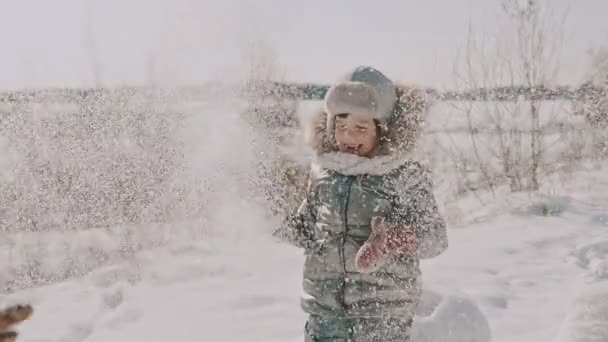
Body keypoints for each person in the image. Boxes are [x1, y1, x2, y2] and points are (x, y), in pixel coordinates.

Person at [274, 66, 448, 341]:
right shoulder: (323, 172)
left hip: (382, 313)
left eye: (360, 128)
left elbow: (436, 238)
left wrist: (394, 239)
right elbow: (307, 230)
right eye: (341, 127)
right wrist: (272, 217)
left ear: (383, 128)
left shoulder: (403, 174)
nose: (349, 137)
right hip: (325, 311)